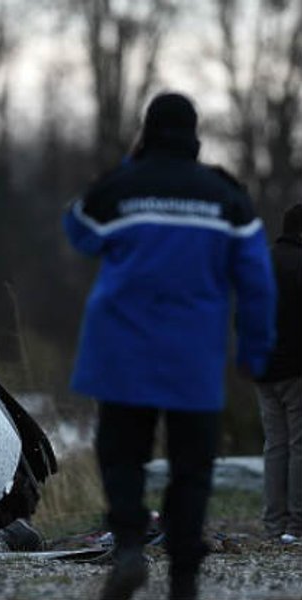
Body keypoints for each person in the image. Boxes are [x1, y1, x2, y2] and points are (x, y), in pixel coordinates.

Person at [63, 92, 276, 600]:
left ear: (146, 133)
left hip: (121, 349)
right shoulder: (226, 198)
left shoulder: (122, 187)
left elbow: (78, 230)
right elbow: (257, 281)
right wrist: (255, 351)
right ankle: (183, 579)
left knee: (121, 455)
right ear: (194, 134)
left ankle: (130, 545)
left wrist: (127, 167)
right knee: (191, 468)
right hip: (193, 356)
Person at [256, 203, 302, 544]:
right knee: (300, 445)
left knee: (275, 445)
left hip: (264, 369)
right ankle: (297, 525)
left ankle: (274, 525)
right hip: (297, 370)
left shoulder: (260, 261)